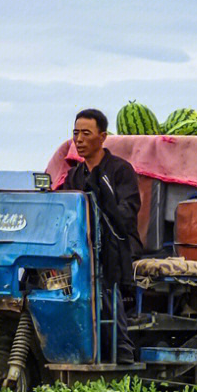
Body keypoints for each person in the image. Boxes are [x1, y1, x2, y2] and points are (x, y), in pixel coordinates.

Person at [60, 109, 142, 363]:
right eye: (76, 133)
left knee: (104, 283)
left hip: (117, 247)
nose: (79, 139)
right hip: (82, 249)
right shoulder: (74, 175)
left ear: (103, 137)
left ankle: (123, 352)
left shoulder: (120, 171)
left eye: (86, 133)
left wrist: (102, 191)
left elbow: (125, 219)